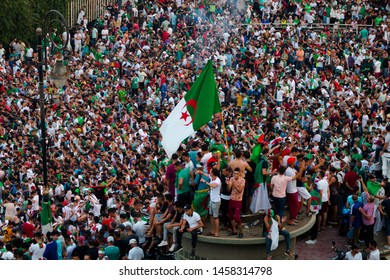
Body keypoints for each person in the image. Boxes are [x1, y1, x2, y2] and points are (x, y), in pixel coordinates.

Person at [227, 168, 245, 238]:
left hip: (238, 200)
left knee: (237, 218)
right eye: (234, 173)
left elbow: (240, 190)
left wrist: (234, 185)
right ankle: (234, 231)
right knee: (231, 216)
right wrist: (228, 184)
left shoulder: (242, 180)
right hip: (232, 199)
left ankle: (241, 232)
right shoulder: (231, 179)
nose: (235, 175)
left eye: (237, 173)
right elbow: (228, 190)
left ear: (239, 174)